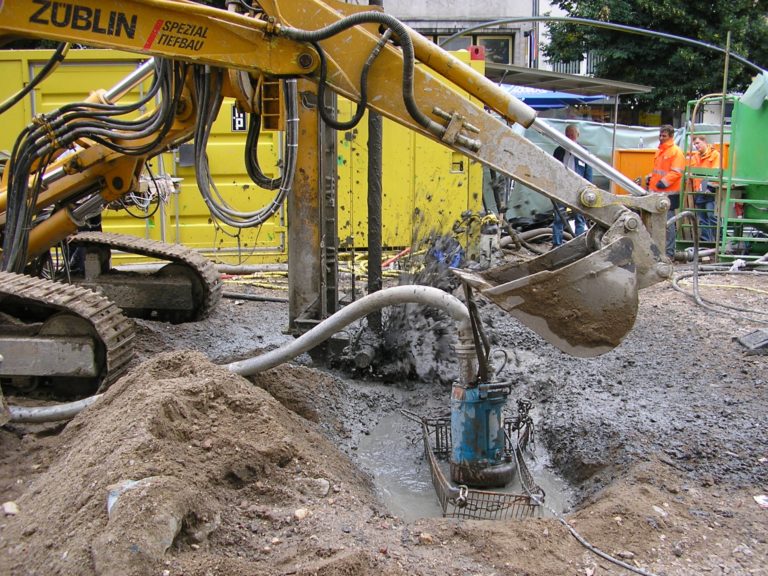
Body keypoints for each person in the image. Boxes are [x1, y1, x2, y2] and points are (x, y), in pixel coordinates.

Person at [646, 124, 685, 258]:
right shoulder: (660, 151)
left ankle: (669, 253)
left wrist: (664, 182)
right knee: (657, 224)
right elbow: (658, 171)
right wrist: (651, 179)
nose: (661, 138)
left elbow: (677, 172)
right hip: (658, 193)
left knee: (668, 225)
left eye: (664, 136)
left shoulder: (675, 152)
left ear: (671, 136)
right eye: (660, 135)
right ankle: (659, 252)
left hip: (669, 194)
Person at [551, 124, 591, 247]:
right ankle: (556, 245)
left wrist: (588, 188)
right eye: (568, 135)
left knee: (579, 217)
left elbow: (588, 172)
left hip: (578, 189)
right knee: (559, 217)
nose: (570, 138)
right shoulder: (559, 151)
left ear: (577, 136)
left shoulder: (583, 152)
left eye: (572, 135)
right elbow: (553, 168)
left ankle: (579, 244)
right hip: (562, 187)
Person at [689, 135, 720, 242]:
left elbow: (716, 173)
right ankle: (706, 242)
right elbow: (693, 172)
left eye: (698, 143)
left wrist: (710, 188)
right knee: (703, 219)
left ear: (704, 142)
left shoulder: (715, 155)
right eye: (694, 144)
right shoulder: (695, 157)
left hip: (711, 191)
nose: (696, 146)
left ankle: (718, 241)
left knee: (712, 216)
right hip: (700, 191)